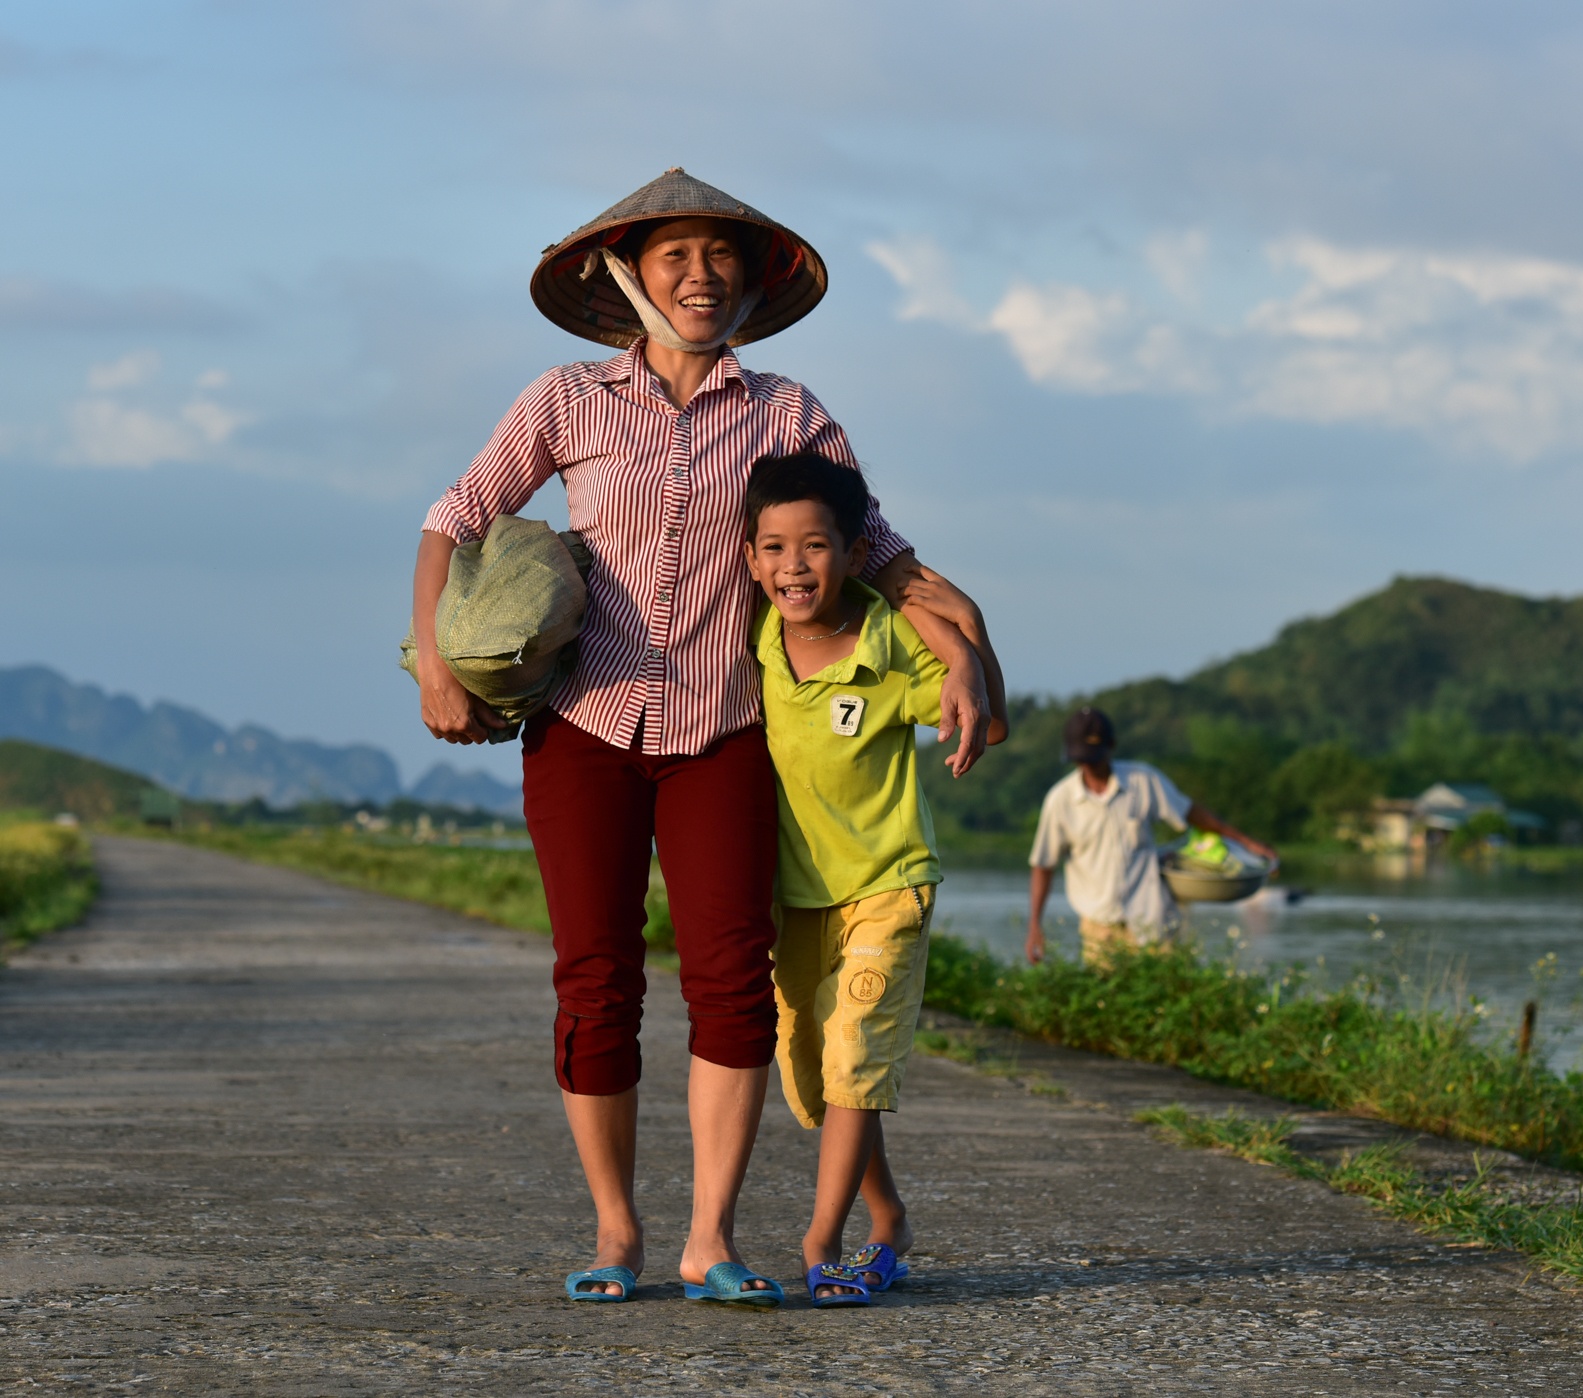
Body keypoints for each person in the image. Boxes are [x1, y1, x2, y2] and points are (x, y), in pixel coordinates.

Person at [409, 169, 996, 1305]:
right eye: (676, 254)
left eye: (721, 257)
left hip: (727, 736)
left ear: (754, 282)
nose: (700, 275)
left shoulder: (789, 415)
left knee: (732, 982)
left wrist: (965, 645)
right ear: (626, 273)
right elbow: (454, 518)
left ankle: (709, 1240)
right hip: (584, 728)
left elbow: (879, 555)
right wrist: (436, 661)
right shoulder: (566, 400)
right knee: (594, 979)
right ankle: (617, 1232)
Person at [743, 451, 1006, 1307]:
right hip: (796, 896)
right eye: (774, 548)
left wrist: (968, 630)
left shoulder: (891, 640)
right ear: (749, 558)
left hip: (888, 883)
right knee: (815, 1074)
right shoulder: (748, 640)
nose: (794, 567)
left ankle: (822, 1241)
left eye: (815, 546)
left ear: (857, 555)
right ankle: (887, 1215)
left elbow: (988, 721)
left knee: (856, 1047)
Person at [1026, 708, 1276, 967]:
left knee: (1169, 989)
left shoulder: (1142, 781)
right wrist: (1035, 925)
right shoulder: (1061, 800)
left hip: (1151, 917)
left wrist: (1247, 843)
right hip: (1098, 926)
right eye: (1081, 759)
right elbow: (1043, 864)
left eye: (1094, 758)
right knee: (1106, 998)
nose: (1088, 766)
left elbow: (1192, 813)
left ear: (1111, 746)